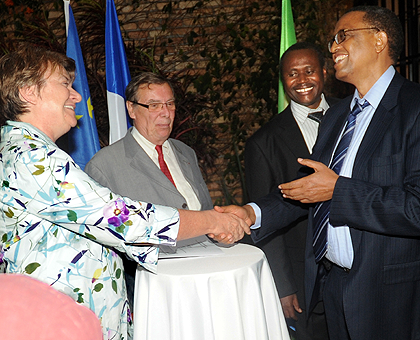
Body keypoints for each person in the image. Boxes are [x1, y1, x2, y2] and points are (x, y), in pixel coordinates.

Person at [0, 45, 250, 340]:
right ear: (29, 91)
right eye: (65, 84)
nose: (77, 95)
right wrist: (212, 221)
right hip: (60, 323)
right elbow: (121, 219)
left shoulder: (25, 150)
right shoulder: (32, 157)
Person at [218, 6, 420, 340]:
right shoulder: (338, 115)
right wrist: (250, 213)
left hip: (393, 297)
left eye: (344, 36)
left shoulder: (413, 108)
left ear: (379, 39)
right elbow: (309, 189)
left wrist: (338, 190)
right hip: (332, 288)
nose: (333, 47)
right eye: (332, 39)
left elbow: (415, 208)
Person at [85, 72, 214, 307]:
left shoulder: (186, 153)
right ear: (131, 109)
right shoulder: (104, 165)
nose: (165, 113)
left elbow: (204, 210)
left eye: (170, 104)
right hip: (154, 292)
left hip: (207, 280)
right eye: (154, 105)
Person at [244, 42, 332, 340]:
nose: (302, 80)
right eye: (292, 74)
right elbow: (266, 219)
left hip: (360, 266)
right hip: (304, 276)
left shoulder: (351, 119)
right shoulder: (263, 143)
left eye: (309, 70)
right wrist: (283, 287)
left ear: (324, 71)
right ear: (283, 81)